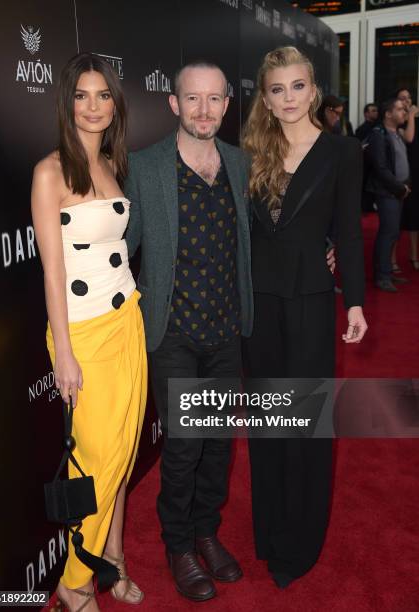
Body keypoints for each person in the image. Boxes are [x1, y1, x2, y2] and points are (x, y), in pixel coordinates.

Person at [124, 59, 334, 602]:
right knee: (185, 444)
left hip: (226, 331)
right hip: (172, 331)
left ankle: (205, 533)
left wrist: (321, 252)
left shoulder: (241, 165)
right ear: (173, 104)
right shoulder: (146, 167)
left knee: (218, 443)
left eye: (215, 99)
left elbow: (273, 230)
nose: (204, 110)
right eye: (192, 99)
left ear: (227, 104)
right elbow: (122, 246)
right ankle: (177, 543)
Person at [241, 46, 367, 588]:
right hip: (258, 304)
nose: (288, 98)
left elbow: (347, 235)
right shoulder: (248, 151)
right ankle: (269, 531)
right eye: (277, 89)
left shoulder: (343, 152)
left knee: (306, 424)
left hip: (313, 300)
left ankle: (301, 540)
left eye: (297, 87)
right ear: (265, 99)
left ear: (313, 90)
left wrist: (355, 299)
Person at [31, 53, 147, 611]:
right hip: (84, 336)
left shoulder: (111, 166)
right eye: (82, 95)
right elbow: (52, 272)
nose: (94, 106)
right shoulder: (50, 171)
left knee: (122, 458)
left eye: (103, 95)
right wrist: (64, 355)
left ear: (115, 104)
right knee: (96, 463)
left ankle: (114, 562)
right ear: (67, 102)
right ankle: (74, 584)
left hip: (128, 323)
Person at [366, 97, 411, 291]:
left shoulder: (396, 133)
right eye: (400, 109)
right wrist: (399, 188)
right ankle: (382, 276)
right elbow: (381, 168)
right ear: (388, 114)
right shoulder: (379, 135)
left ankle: (387, 273)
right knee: (388, 233)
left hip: (398, 192)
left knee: (393, 234)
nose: (404, 113)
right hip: (388, 193)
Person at [395, 89, 419, 271]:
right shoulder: (399, 123)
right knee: (398, 221)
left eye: (408, 98)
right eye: (402, 98)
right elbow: (409, 138)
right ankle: (392, 259)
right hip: (404, 177)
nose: (406, 101)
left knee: (415, 219)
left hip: (416, 174)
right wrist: (410, 115)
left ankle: (414, 255)